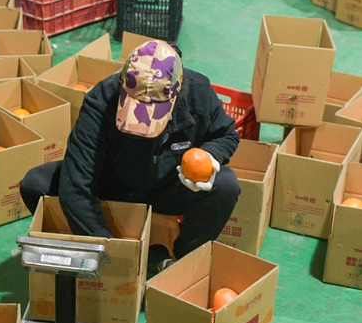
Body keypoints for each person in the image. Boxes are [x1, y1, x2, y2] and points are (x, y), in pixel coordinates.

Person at [19, 40, 240, 273]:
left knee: (225, 184)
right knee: (36, 183)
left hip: (169, 184)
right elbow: (76, 184)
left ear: (178, 89)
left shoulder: (199, 92)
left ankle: (181, 262)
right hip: (113, 184)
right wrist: (107, 249)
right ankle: (78, 252)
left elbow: (226, 134)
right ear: (123, 83)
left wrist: (210, 156)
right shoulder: (101, 100)